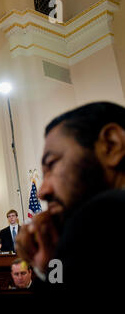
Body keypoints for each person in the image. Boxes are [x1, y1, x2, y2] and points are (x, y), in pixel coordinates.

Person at [16, 101, 125, 292]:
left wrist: (48, 269)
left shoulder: (103, 211)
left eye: (52, 164)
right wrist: (48, 263)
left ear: (111, 145)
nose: (42, 191)